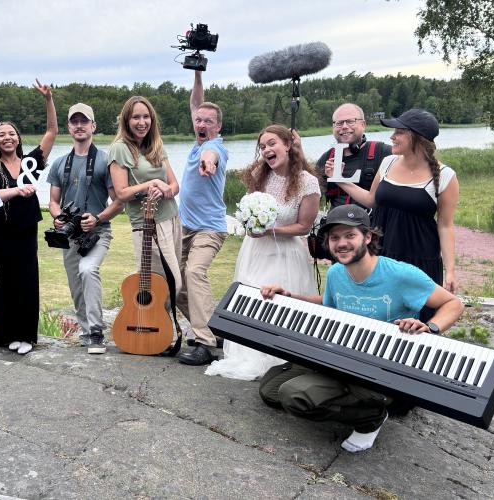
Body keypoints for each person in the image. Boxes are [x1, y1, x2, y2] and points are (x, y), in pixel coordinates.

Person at [258, 204, 464, 453]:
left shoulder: (400, 274)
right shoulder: (336, 273)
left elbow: (453, 304)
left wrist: (429, 327)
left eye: (349, 235)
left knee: (293, 395)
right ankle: (337, 390)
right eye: (335, 237)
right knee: (270, 391)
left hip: (382, 368)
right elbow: (328, 304)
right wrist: (290, 296)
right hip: (344, 356)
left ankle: (371, 416)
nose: (341, 243)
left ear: (368, 237)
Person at [205, 125, 320, 380]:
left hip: (286, 253)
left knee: (278, 302)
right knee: (252, 297)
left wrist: (271, 231)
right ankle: (250, 353)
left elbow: (304, 226)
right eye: (263, 146)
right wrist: (251, 225)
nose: (267, 149)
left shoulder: (307, 182)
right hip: (255, 250)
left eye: (272, 143)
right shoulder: (259, 175)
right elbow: (249, 213)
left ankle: (281, 356)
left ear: (288, 144)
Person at [327, 108, 459, 322]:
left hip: (419, 257)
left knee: (418, 321)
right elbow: (371, 200)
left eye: (399, 132)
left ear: (416, 138)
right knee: (378, 310)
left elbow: (445, 226)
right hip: (382, 250)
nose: (392, 137)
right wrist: (340, 179)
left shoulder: (445, 176)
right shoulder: (388, 162)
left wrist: (451, 269)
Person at [0, 80, 57, 355]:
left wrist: (48, 100)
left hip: (24, 231)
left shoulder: (30, 164)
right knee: (0, 283)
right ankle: (5, 335)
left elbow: (51, 131)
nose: (7, 138)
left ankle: (26, 335)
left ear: (18, 138)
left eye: (11, 134)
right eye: (2, 135)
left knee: (25, 280)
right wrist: (15, 190)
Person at [48, 103, 124, 355]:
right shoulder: (60, 163)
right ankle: (85, 331)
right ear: (69, 127)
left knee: (88, 270)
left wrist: (98, 218)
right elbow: (53, 201)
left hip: (97, 232)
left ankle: (96, 332)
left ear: (93, 126)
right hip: (71, 235)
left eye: (84, 121)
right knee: (76, 285)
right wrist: (58, 218)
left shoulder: (105, 160)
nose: (79, 126)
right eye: (74, 122)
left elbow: (119, 202)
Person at [108, 96, 181, 321]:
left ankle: (161, 331)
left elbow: (175, 185)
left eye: (146, 116)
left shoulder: (156, 145)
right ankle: (153, 328)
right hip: (147, 225)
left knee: (174, 283)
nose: (142, 122)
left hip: (172, 219)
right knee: (171, 284)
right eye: (136, 117)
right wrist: (151, 184)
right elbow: (120, 193)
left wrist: (165, 189)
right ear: (127, 121)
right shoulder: (120, 149)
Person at [176, 71, 230, 366]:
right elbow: (196, 102)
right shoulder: (198, 143)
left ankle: (207, 343)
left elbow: (212, 155)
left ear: (217, 126)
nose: (202, 123)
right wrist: (197, 73)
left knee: (194, 272)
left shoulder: (214, 147)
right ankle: (212, 328)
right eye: (199, 120)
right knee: (174, 282)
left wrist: (208, 163)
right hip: (184, 227)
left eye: (209, 121)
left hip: (209, 228)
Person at [317, 103, 392, 209]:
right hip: (336, 223)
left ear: (363, 124)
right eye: (339, 123)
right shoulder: (327, 157)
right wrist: (296, 150)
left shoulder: (383, 152)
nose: (344, 127)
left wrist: (338, 178)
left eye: (350, 121)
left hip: (373, 223)